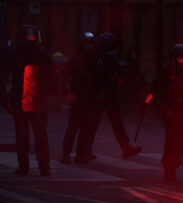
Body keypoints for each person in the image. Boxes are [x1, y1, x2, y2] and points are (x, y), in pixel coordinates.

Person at [0, 25, 52, 176]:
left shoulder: (14, 55)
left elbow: (2, 78)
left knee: (22, 136)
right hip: (38, 100)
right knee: (40, 135)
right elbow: (51, 79)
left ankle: (24, 166)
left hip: (19, 99)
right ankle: (44, 167)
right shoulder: (43, 55)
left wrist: (5, 100)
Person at [145, 44, 183, 181]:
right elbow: (156, 85)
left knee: (182, 139)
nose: (181, 60)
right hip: (171, 108)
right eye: (179, 57)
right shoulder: (167, 71)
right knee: (171, 139)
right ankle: (169, 168)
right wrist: (149, 97)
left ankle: (175, 164)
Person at [61, 32, 105, 163]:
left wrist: (100, 93)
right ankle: (66, 154)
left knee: (86, 129)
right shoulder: (75, 60)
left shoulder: (97, 60)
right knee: (73, 128)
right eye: (87, 44)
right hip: (78, 98)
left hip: (91, 99)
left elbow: (101, 78)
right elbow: (62, 77)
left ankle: (80, 154)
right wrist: (66, 93)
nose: (89, 47)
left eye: (91, 44)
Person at [98, 32, 141, 159]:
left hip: (99, 92)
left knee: (90, 123)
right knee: (116, 122)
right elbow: (120, 67)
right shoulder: (110, 56)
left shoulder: (98, 56)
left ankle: (82, 150)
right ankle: (125, 148)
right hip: (109, 93)